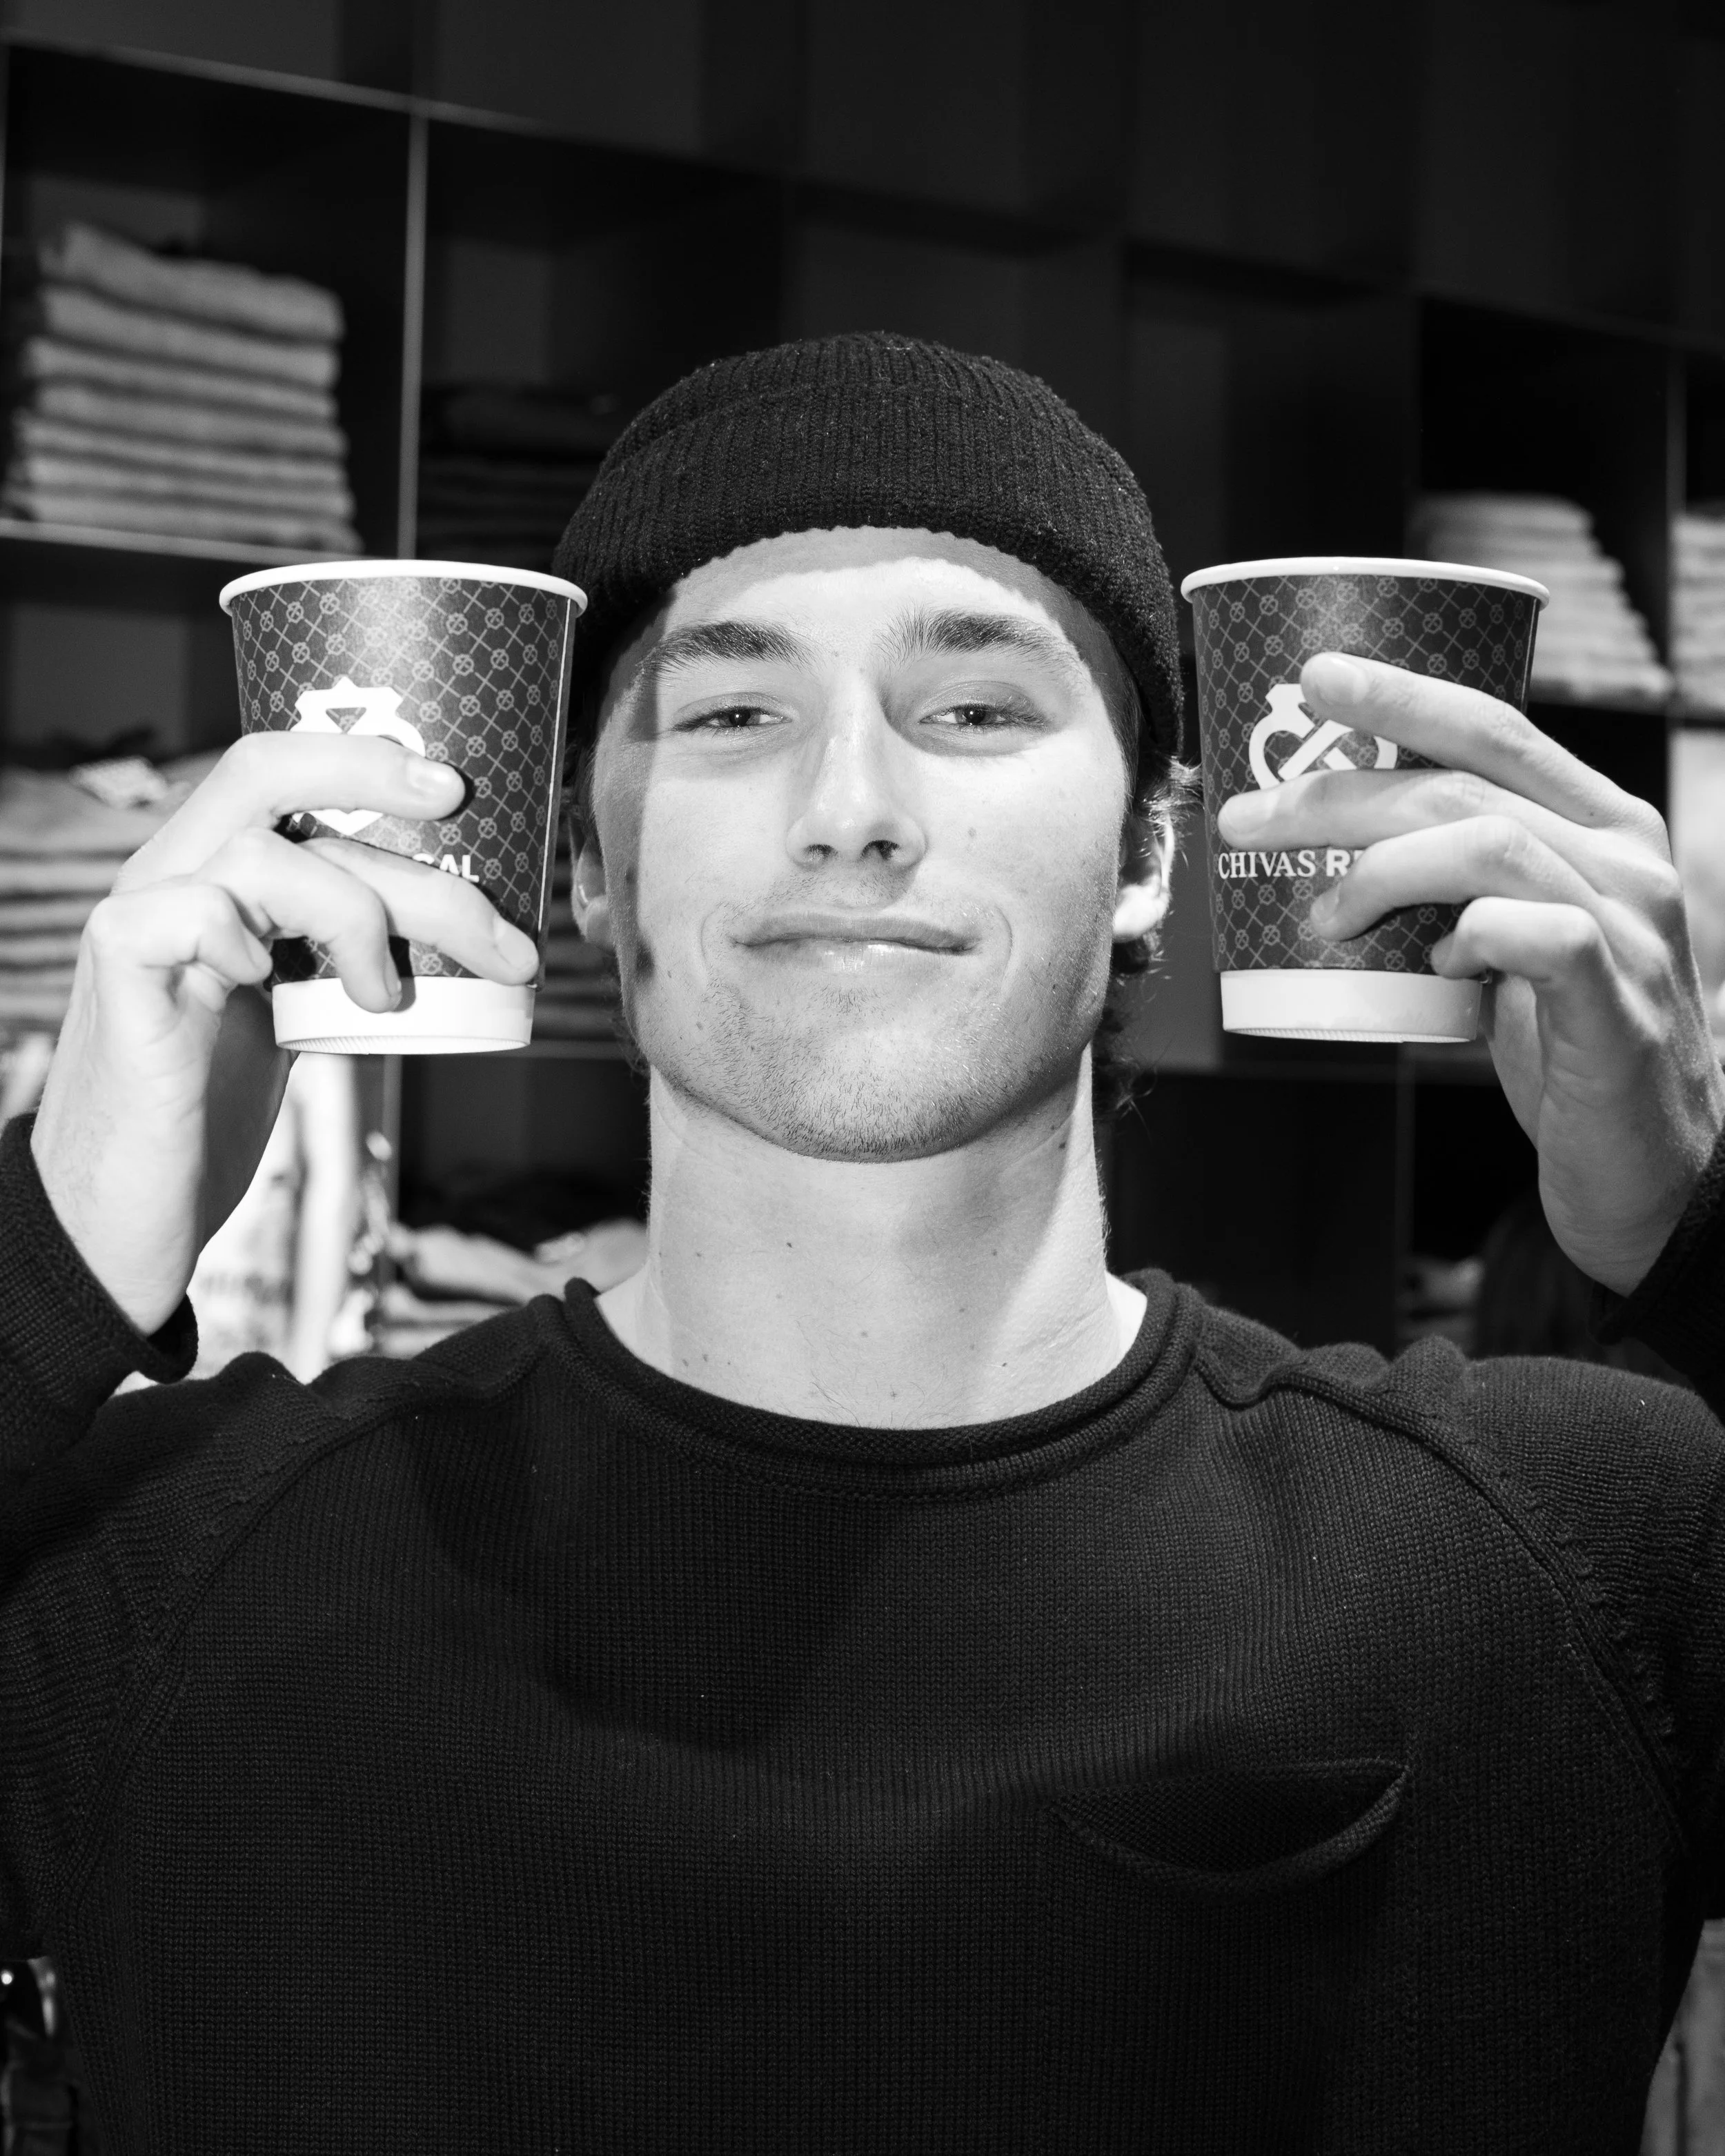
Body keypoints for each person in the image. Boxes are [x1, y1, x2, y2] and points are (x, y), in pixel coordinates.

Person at [2, 331, 1722, 2153]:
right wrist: (56, 1249)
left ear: (1153, 852)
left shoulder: (1561, 1553)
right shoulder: (170, 1572)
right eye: (732, 714)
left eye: (973, 708)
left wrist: (1685, 1230)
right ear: (579, 856)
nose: (849, 811)